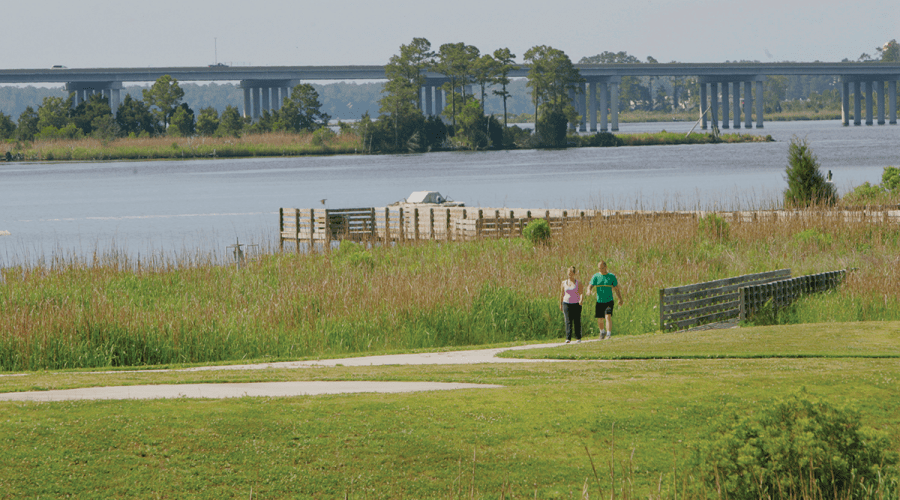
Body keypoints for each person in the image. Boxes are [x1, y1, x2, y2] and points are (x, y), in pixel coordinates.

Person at [589, 260, 624, 339]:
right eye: (599, 268)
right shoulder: (596, 276)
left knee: (608, 317)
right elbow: (590, 285)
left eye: (602, 268)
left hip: (609, 300)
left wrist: (620, 298)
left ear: (606, 267)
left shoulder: (611, 277)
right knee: (600, 318)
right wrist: (589, 290)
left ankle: (608, 334)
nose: (600, 270)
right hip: (599, 301)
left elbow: (616, 289)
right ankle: (602, 331)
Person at [559, 266, 583, 343]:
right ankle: (568, 338)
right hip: (566, 303)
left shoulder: (578, 283)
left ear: (574, 274)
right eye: (568, 273)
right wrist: (561, 303)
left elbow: (581, 293)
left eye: (571, 273)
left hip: (576, 303)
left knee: (576, 320)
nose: (569, 275)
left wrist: (581, 300)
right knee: (568, 321)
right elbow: (562, 294)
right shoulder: (563, 283)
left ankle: (578, 337)